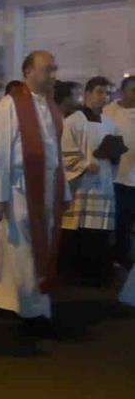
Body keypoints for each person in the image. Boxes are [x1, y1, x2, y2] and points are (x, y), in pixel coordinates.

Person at [0, 50, 70, 342]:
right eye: (47, 69)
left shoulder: (51, 107)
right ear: (28, 71)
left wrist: (64, 189)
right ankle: (35, 314)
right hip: (20, 191)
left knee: (11, 249)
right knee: (27, 252)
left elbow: (56, 153)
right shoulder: (10, 106)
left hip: (46, 190)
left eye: (54, 69)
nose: (53, 75)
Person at [59, 76, 119, 286]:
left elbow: (114, 156)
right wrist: (84, 164)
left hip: (103, 183)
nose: (104, 97)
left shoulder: (110, 124)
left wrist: (114, 154)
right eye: (100, 92)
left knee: (99, 231)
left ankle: (96, 274)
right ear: (87, 94)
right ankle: (74, 275)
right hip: (81, 185)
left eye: (107, 93)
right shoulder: (73, 121)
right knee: (77, 230)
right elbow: (65, 152)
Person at [104, 75, 135, 270]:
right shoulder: (109, 112)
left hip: (133, 178)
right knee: (115, 221)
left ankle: (124, 259)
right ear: (123, 91)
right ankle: (112, 260)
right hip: (113, 176)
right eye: (133, 90)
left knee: (127, 220)